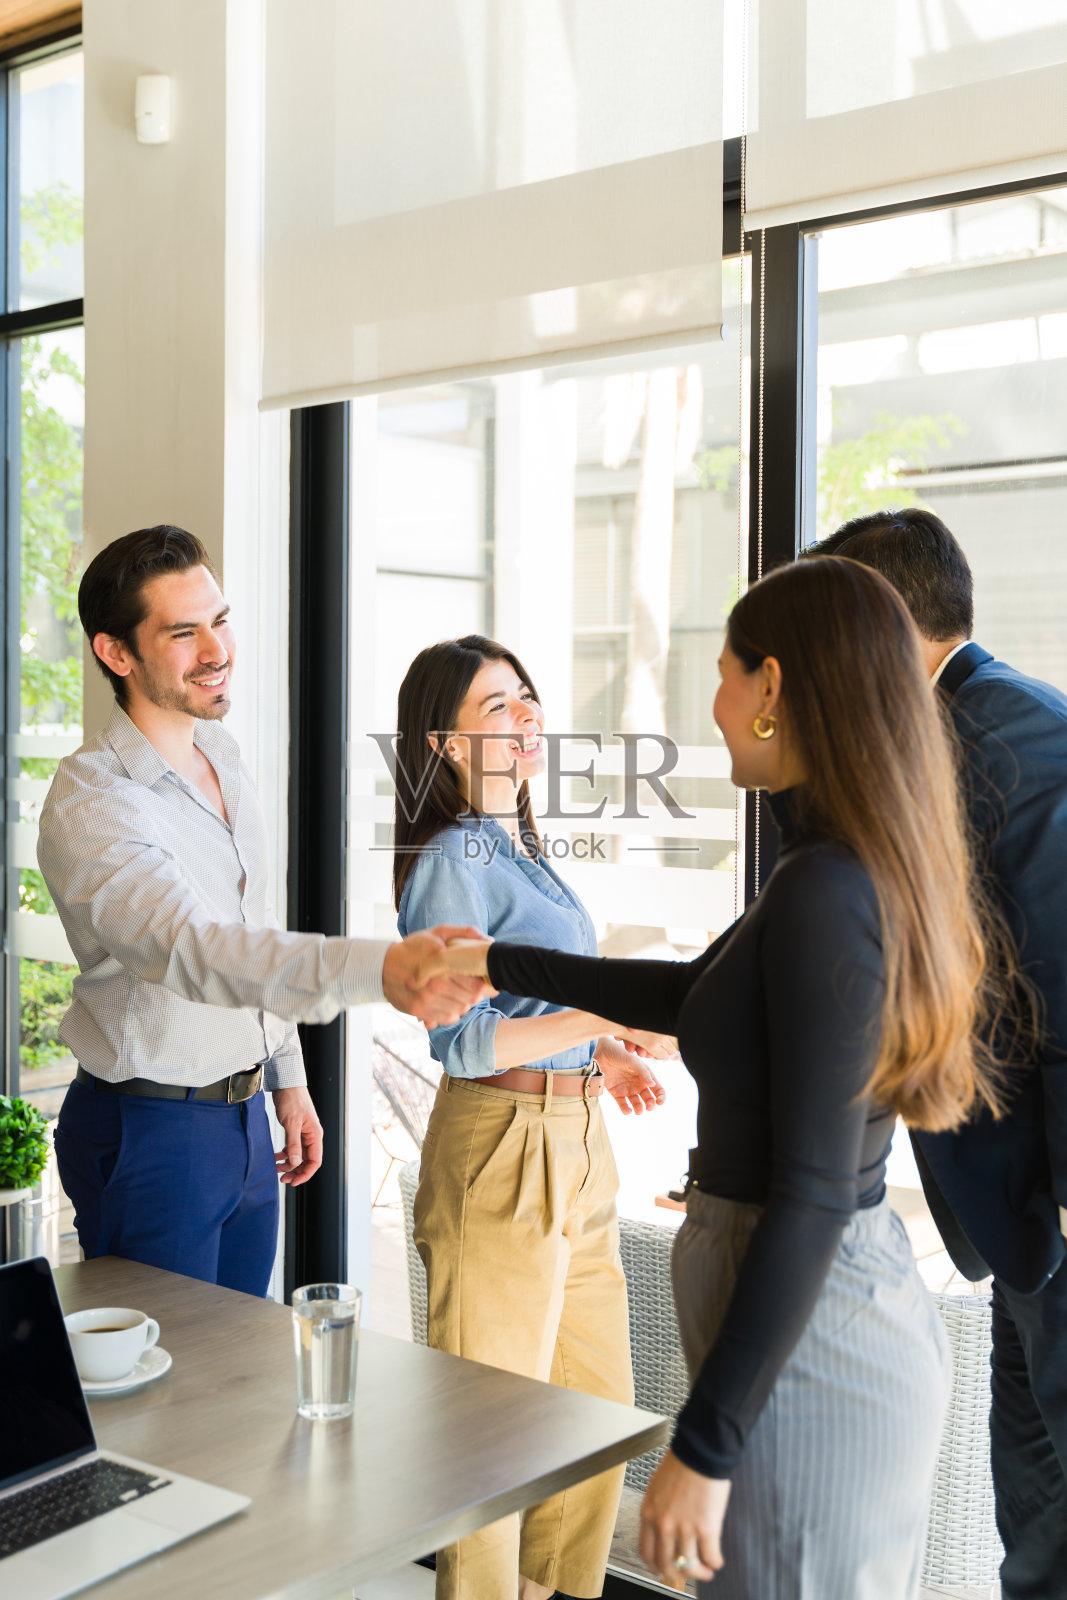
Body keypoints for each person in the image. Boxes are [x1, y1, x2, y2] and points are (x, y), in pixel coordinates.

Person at [435, 560, 1016, 1599]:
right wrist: (490, 964)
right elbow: (687, 987)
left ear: (771, 688)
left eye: (721, 672)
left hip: (815, 1336)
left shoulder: (827, 889)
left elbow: (813, 1195)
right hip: (804, 1322)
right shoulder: (821, 868)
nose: (709, 702)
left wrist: (700, 1449)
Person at [39, 526, 488, 1296]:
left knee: (241, 1374)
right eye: (183, 633)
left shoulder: (223, 757)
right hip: (151, 1132)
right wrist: (379, 967)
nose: (217, 650)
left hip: (244, 1122)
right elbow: (195, 948)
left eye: (219, 620)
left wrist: (285, 1078)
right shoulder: (94, 800)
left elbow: (254, 926)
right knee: (166, 1398)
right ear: (117, 653)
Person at [805, 506, 1066, 1600]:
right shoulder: (953, 728)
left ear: (881, 616)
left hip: (1049, 1197)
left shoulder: (1012, 739)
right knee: (1035, 1485)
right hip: (1013, 1208)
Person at [393, 635, 675, 1600]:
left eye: (526, 701)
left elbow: (521, 1006)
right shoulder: (450, 859)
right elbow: (462, 1041)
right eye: (497, 708)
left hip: (577, 1142)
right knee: (492, 1439)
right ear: (443, 744)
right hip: (499, 1151)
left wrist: (598, 1050)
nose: (526, 721)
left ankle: (554, 1591)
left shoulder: (515, 847)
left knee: (595, 1414)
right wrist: (605, 1012)